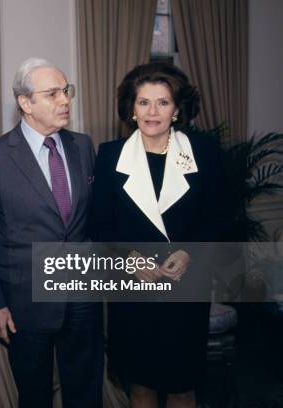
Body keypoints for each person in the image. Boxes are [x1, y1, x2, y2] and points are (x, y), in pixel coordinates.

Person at [90, 62, 225, 407]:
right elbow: (99, 225)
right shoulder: (110, 156)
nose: (153, 112)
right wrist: (128, 257)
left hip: (185, 288)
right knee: (141, 386)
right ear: (131, 109)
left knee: (182, 386)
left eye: (163, 102)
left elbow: (217, 218)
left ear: (177, 109)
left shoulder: (204, 154)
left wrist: (190, 252)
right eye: (143, 102)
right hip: (134, 293)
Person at [0, 57, 103, 408]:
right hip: (26, 302)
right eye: (52, 93)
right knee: (34, 395)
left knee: (86, 393)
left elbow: (92, 223)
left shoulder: (83, 145)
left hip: (82, 298)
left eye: (66, 91)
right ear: (25, 102)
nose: (65, 100)